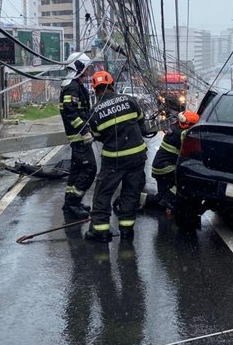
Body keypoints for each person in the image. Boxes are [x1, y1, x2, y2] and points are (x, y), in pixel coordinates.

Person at [85, 70, 148, 242]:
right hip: (137, 157)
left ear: (95, 90)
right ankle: (127, 231)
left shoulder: (95, 112)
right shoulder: (128, 100)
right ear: (112, 85)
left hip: (113, 160)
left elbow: (97, 136)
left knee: (103, 194)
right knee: (130, 193)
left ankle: (101, 231)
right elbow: (141, 121)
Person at [59, 52, 97, 219]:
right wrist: (85, 131)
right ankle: (73, 202)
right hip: (79, 137)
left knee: (76, 170)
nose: (89, 71)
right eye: (87, 67)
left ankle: (69, 203)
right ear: (79, 67)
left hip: (78, 136)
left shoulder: (75, 85)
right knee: (90, 169)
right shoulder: (72, 87)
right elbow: (71, 114)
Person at [148, 110, 199, 210]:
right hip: (166, 168)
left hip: (159, 168)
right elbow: (191, 151)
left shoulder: (174, 125)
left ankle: (136, 200)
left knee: (159, 198)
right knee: (185, 178)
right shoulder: (183, 133)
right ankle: (168, 199)